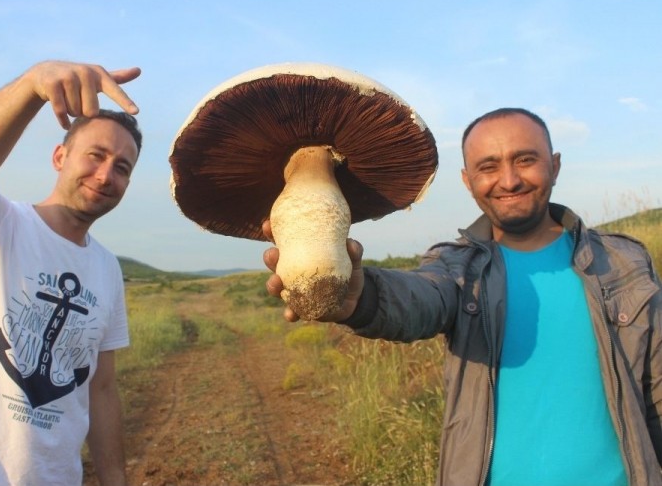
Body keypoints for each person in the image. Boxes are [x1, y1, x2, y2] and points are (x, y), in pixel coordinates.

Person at [263, 108, 662, 486]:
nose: (509, 180)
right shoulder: (455, 267)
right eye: (488, 167)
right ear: (468, 181)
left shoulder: (624, 261)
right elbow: (422, 298)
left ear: (554, 165)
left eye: (525, 160)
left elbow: (657, 383)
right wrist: (362, 297)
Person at [0, 60, 142, 485]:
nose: (106, 175)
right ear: (60, 156)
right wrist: (31, 86)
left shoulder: (107, 268)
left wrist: (115, 479)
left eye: (123, 167)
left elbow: (101, 388)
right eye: (96, 155)